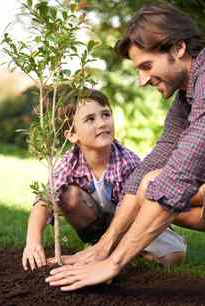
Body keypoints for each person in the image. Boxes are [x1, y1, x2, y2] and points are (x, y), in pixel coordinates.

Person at [45, 4, 205, 291]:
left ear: (178, 48)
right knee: (147, 182)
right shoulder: (187, 97)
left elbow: (181, 174)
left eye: (147, 66)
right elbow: (156, 160)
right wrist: (102, 248)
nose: (142, 80)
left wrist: (114, 262)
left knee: (160, 185)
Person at [22, 87, 187, 272]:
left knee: (174, 257)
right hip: (103, 226)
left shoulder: (126, 162)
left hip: (132, 222)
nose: (102, 123)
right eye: (90, 119)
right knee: (68, 195)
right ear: (71, 134)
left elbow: (136, 211)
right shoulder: (70, 163)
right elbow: (44, 201)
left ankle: (114, 251)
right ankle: (98, 246)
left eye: (106, 115)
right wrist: (32, 241)